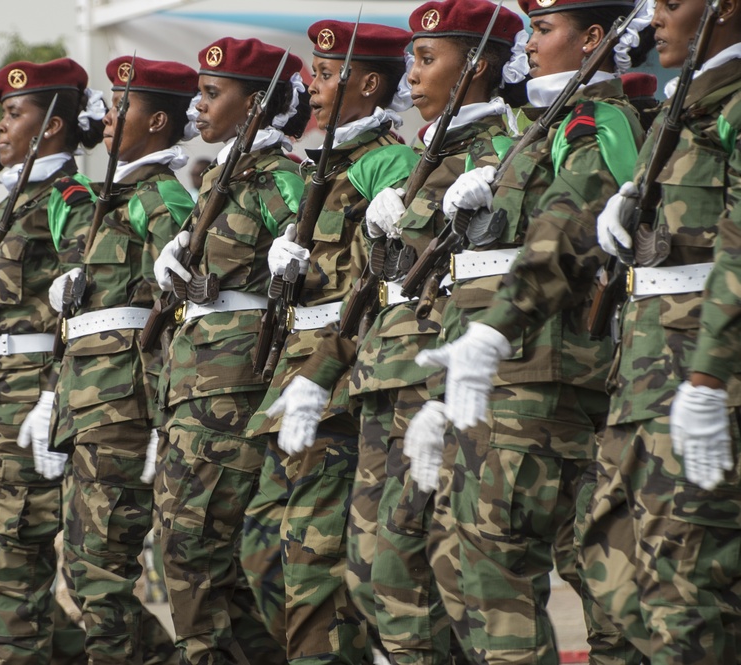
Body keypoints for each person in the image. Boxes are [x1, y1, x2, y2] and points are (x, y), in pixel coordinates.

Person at [400, 0, 652, 661]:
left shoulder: (599, 119)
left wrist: (491, 335)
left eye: (544, 30)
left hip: (546, 374)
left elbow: (568, 231)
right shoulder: (547, 127)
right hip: (519, 374)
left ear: (593, 38)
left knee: (510, 573)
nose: (529, 46)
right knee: (498, 569)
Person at [315, 3, 526, 661]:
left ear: (479, 65)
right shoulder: (418, 158)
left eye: (428, 58)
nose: (412, 73)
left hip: (441, 385)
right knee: (374, 571)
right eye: (412, 56)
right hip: (387, 379)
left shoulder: (505, 154)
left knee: (433, 576)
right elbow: (379, 286)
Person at [238, 18, 412, 664]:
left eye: (327, 73)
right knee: (260, 548)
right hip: (294, 377)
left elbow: (377, 282)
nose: (312, 85)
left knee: (312, 569)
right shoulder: (321, 166)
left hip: (338, 383)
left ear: (368, 83)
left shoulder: (386, 162)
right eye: (313, 71)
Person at [583, 0, 741, 660]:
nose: (653, 23)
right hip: (642, 389)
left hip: (700, 386)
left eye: (672, 4)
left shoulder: (733, 109)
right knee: (612, 583)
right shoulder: (684, 110)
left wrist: (707, 382)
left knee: (688, 604)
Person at [151, 36, 307, 665]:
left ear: (256, 104)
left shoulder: (284, 177)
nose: (198, 105)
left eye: (213, 94)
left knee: (197, 554)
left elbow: (316, 267)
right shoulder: (219, 176)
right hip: (194, 387)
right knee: (203, 564)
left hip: (236, 391)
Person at [0, 57, 103, 665]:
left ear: (53, 126)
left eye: (15, 115)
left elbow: (87, 309)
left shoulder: (68, 200)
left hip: (24, 401)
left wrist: (55, 393)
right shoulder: (6, 202)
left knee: (14, 574)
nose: (0, 129)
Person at [47, 54, 196, 665]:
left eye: (122, 106)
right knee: (87, 571)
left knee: (101, 576)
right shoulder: (113, 196)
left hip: (122, 403)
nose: (107, 117)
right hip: (88, 398)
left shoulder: (159, 196)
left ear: (157, 121)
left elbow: (183, 301)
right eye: (109, 103)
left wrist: (164, 409)